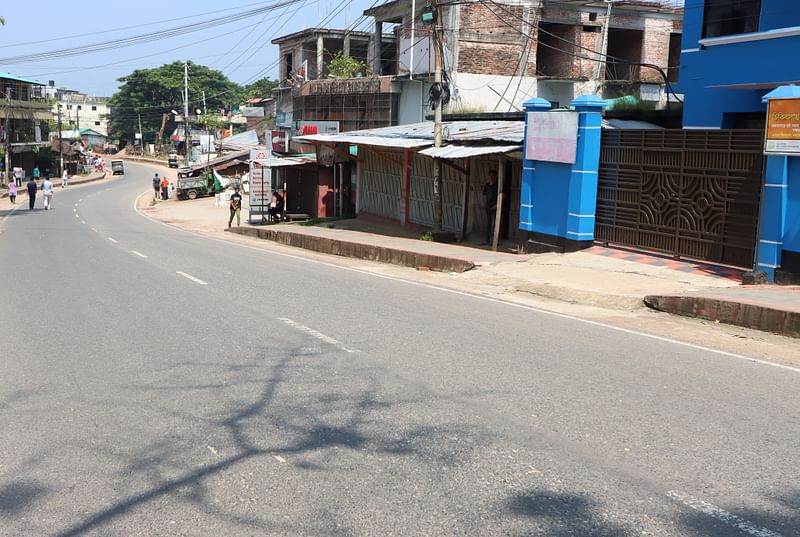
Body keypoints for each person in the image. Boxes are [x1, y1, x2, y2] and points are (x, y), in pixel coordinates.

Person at [482, 170, 498, 245]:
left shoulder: (497, 185)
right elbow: (484, 195)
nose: (491, 178)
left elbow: (503, 195)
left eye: (493, 176)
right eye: (490, 176)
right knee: (488, 223)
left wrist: (497, 205)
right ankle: (487, 240)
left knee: (496, 224)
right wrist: (485, 204)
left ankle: (495, 240)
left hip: (495, 207)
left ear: (495, 177)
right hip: (488, 206)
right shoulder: (487, 185)